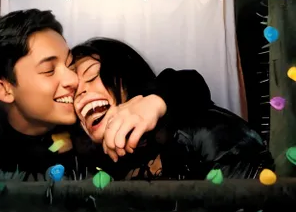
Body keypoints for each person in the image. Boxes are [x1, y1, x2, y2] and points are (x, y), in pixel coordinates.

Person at [0, 9, 168, 180]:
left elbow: (181, 82)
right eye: (49, 70)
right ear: (3, 89)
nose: (73, 81)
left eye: (70, 65)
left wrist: (156, 102)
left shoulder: (88, 134)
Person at [71, 38, 273, 180]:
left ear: (127, 76)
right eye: (72, 94)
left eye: (90, 75)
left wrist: (156, 101)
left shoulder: (196, 131)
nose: (80, 94)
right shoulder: (92, 173)